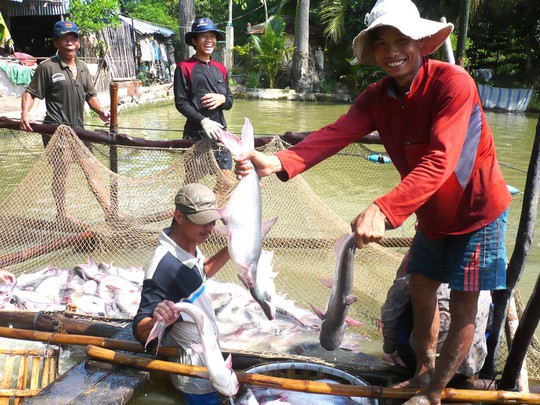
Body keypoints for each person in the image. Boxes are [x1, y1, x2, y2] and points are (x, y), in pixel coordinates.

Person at [233, 0, 510, 403]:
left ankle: (433, 392)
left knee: (466, 306)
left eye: (402, 40)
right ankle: (423, 371)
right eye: (382, 43)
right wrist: (277, 160)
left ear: (421, 43)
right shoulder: (377, 96)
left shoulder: (454, 83)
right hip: (430, 213)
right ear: (373, 52)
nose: (392, 51)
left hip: (477, 211)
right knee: (419, 287)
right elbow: (336, 133)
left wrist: (383, 208)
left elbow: (441, 160)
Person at [132, 183, 230, 405]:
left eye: (213, 220)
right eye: (201, 221)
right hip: (194, 375)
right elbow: (140, 329)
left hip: (211, 361)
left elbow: (200, 273)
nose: (210, 227)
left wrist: (232, 248)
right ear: (179, 216)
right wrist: (159, 319)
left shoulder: (190, 244)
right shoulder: (163, 265)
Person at [19, 21, 111, 226]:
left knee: (91, 170)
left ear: (78, 42)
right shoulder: (47, 67)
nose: (69, 42)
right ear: (56, 42)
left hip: (80, 131)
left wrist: (101, 111)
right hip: (56, 131)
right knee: (61, 174)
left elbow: (91, 96)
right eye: (64, 38)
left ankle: (108, 211)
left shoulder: (83, 67)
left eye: (73, 38)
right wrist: (25, 113)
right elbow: (30, 93)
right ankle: (61, 213)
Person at [381, 251, 492, 384]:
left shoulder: (421, 253)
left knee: (411, 298)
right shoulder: (482, 256)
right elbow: (490, 323)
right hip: (470, 365)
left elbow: (393, 306)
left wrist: (389, 348)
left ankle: (410, 364)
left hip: (420, 365)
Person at [174, 17, 234, 185]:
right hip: (195, 135)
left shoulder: (221, 68)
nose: (209, 40)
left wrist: (222, 99)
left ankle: (211, 210)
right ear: (194, 40)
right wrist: (203, 121)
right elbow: (181, 103)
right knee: (192, 187)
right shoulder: (184, 67)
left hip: (220, 134)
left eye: (212, 36)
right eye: (203, 36)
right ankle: (183, 212)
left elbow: (230, 102)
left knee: (225, 183)